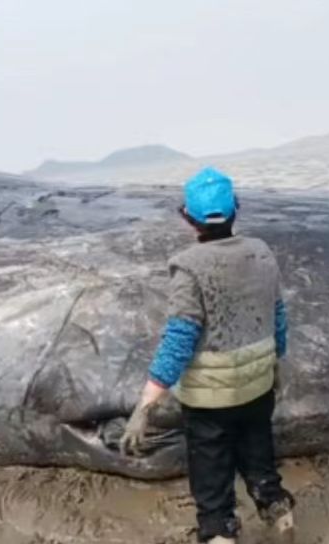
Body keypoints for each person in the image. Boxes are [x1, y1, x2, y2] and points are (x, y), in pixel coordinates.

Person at [120, 167, 295, 544]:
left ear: (188, 218)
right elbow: (276, 315)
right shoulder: (261, 252)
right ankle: (277, 511)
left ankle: (219, 532)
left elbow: (180, 338)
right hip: (257, 387)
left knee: (212, 474)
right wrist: (275, 362)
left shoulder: (189, 267)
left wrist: (146, 404)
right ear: (236, 210)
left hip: (210, 401)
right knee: (258, 454)